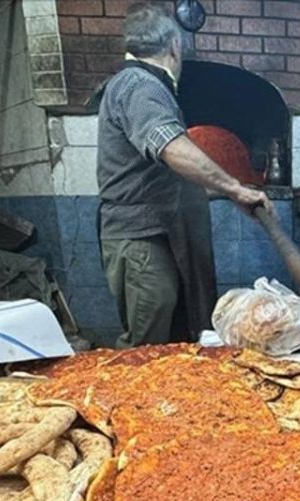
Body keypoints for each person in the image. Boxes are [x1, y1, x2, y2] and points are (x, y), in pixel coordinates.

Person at [94, 4, 271, 348]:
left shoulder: (139, 85)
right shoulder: (139, 86)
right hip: (144, 242)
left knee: (171, 343)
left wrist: (221, 193)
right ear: (175, 46)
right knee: (147, 350)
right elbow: (170, 147)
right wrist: (235, 188)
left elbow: (156, 176)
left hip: (155, 237)